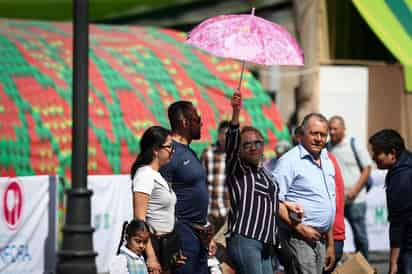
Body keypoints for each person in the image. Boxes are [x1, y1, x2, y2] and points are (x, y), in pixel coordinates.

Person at [225, 91, 303, 274]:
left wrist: (290, 208)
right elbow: (231, 144)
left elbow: (273, 202)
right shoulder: (238, 169)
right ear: (240, 149)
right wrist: (236, 112)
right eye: (246, 144)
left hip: (268, 241)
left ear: (263, 145)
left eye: (257, 143)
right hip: (246, 239)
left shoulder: (266, 174)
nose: (253, 147)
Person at [273, 113, 336, 274]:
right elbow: (274, 200)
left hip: (320, 238)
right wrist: (300, 228)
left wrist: (330, 245)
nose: (319, 138)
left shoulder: (326, 159)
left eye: (323, 135)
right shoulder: (289, 161)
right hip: (298, 237)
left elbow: (328, 202)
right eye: (314, 133)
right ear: (301, 134)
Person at [159, 101, 210, 274]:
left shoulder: (189, 152)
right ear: (184, 122)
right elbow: (159, 199)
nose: (201, 123)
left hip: (199, 235)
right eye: (197, 119)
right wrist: (171, 242)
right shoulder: (169, 154)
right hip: (182, 235)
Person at [131, 126, 184, 274]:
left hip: (166, 246)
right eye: (169, 147)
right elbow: (140, 221)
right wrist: (151, 257)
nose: (172, 151)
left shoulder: (157, 174)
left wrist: (174, 250)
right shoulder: (144, 175)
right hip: (154, 246)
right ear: (155, 150)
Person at [328, 115, 372, 259]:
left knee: (360, 235)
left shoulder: (354, 144)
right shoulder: (327, 147)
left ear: (343, 129)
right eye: (330, 129)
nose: (332, 132)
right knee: (334, 235)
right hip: (336, 201)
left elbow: (367, 168)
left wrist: (354, 190)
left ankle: (364, 265)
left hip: (355, 200)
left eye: (335, 128)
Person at [369, 129, 412, 274]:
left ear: (392, 153)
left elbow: (398, 223)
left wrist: (393, 262)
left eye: (376, 153)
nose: (373, 157)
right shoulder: (406, 164)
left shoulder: (402, 178)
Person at [200, 120, 231, 232]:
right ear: (218, 134)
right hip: (210, 210)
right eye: (224, 134)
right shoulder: (208, 153)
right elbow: (200, 181)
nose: (226, 138)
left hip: (229, 211)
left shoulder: (237, 156)